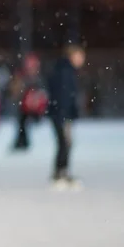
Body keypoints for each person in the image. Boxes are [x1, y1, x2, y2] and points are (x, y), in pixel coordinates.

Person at [47, 44, 85, 188]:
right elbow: (62, 95)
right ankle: (60, 173)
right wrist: (63, 113)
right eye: (79, 56)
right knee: (64, 143)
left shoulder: (66, 70)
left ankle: (61, 172)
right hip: (61, 114)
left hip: (62, 113)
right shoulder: (64, 71)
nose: (82, 59)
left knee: (65, 143)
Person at [10, 53, 48, 151]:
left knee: (23, 123)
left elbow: (41, 93)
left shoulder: (37, 78)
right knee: (22, 123)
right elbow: (17, 91)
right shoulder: (24, 76)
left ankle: (22, 142)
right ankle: (22, 142)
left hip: (31, 106)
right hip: (25, 105)